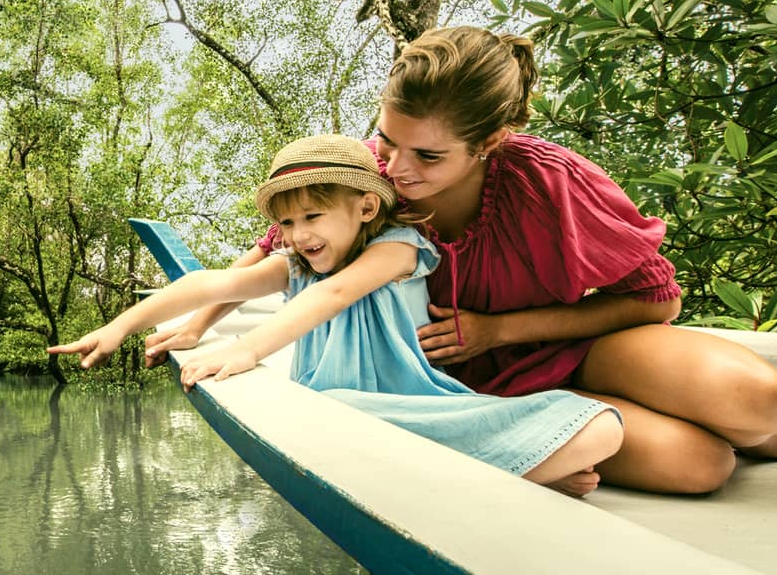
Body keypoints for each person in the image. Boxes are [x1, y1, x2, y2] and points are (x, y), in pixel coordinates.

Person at [149, 27, 777, 495]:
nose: (395, 169)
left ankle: (748, 430)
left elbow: (658, 300)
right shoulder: (367, 177)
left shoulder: (550, 183)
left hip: (574, 347)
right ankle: (613, 422)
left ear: (490, 143)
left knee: (761, 400)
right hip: (463, 392)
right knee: (702, 468)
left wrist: (500, 330)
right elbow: (277, 249)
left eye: (427, 157)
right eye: (389, 141)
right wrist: (204, 320)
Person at [49, 135, 624, 497]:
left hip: (408, 405)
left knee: (600, 425)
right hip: (338, 414)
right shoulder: (301, 263)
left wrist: (245, 350)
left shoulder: (400, 249)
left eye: (313, 216)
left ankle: (515, 469)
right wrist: (119, 325)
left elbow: (336, 295)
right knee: (321, 422)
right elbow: (215, 281)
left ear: (366, 206)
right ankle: (522, 473)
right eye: (289, 224)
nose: (298, 236)